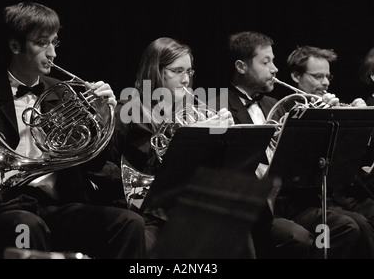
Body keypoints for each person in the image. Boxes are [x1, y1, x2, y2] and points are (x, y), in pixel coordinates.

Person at [0, 2, 146, 259]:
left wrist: (101, 116)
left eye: (55, 42)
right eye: (42, 43)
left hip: (58, 204)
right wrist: (2, 176)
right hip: (4, 206)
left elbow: (93, 161)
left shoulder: (64, 92)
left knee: (129, 223)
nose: (52, 53)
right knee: (26, 226)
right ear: (15, 46)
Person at [223, 31, 361, 259]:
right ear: (241, 66)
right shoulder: (220, 105)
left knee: (347, 228)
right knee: (298, 239)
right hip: (251, 209)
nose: (275, 69)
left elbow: (302, 159)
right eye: (265, 62)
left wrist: (326, 117)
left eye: (274, 61)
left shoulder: (275, 104)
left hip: (286, 202)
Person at [108, 37, 235, 257]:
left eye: (189, 72)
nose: (185, 79)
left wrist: (224, 136)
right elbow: (105, 161)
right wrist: (189, 136)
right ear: (155, 70)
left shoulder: (195, 110)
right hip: (146, 211)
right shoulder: (128, 109)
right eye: (177, 71)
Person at [286, 45, 374, 258]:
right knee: (354, 225)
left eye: (327, 76)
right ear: (296, 76)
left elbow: (357, 160)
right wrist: (320, 116)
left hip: (334, 196)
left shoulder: (329, 105)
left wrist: (357, 123)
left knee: (361, 222)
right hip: (299, 200)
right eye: (317, 76)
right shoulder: (286, 108)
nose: (325, 82)